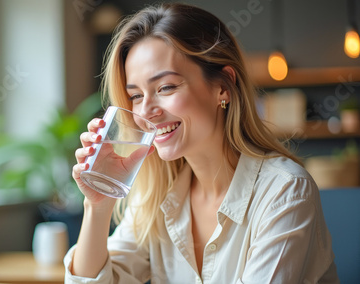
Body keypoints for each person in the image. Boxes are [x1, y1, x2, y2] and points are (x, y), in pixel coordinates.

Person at [65, 3, 339, 283]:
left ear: (223, 86)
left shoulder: (285, 192)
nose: (146, 111)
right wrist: (98, 205)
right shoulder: (156, 196)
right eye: (135, 96)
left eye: (166, 87)